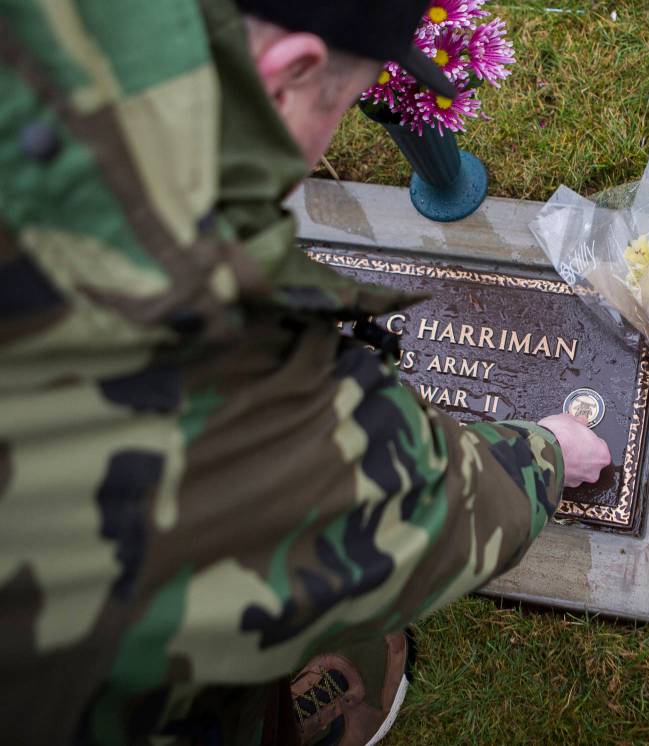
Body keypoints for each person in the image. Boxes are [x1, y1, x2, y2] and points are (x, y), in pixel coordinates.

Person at [0, 1, 611, 744]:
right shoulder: (232, 388)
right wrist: (546, 452)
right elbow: (427, 514)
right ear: (289, 73)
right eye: (348, 100)